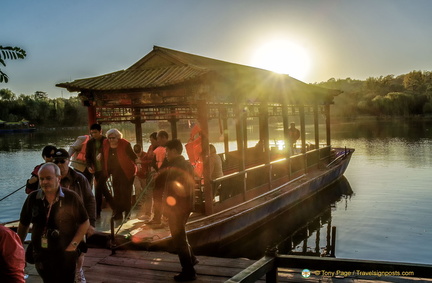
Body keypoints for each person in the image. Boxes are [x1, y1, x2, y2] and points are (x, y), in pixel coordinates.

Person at [17, 163, 90, 283]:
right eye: (42, 179)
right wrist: (18, 249)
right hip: (41, 253)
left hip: (66, 252)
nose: (45, 182)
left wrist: (73, 246)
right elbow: (23, 224)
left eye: (49, 178)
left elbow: (85, 222)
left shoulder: (71, 197)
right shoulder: (32, 198)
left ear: (58, 178)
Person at [53, 148, 96, 283]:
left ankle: (79, 271)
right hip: (57, 221)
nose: (60, 164)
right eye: (56, 162)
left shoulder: (79, 178)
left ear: (69, 161)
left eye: (62, 161)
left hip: (78, 221)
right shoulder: (51, 178)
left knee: (79, 250)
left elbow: (90, 200)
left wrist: (91, 223)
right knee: (57, 248)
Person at [159, 139, 198, 281]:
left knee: (178, 239)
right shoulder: (185, 164)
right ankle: (192, 259)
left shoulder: (177, 167)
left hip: (178, 208)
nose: (166, 154)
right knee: (181, 234)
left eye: (167, 151)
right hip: (185, 206)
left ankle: (189, 271)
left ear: (174, 151)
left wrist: (166, 209)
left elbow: (173, 191)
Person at [103, 129, 137, 220]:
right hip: (114, 172)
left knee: (126, 193)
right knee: (117, 192)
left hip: (127, 171)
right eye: (109, 138)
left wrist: (139, 164)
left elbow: (133, 156)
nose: (111, 140)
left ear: (118, 138)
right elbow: (103, 153)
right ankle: (118, 213)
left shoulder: (125, 144)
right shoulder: (106, 143)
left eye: (113, 138)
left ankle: (127, 213)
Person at [86, 123, 114, 218]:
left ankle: (98, 212)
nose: (93, 134)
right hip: (96, 170)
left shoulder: (106, 141)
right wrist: (89, 166)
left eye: (95, 132)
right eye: (92, 133)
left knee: (98, 189)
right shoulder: (90, 143)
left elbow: (111, 153)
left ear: (100, 131)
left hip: (106, 169)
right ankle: (113, 209)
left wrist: (102, 154)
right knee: (103, 189)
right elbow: (88, 157)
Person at [148, 130, 169, 225]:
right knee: (156, 197)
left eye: (160, 138)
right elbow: (153, 162)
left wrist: (160, 172)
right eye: (158, 138)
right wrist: (153, 170)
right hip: (158, 177)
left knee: (166, 197)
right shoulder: (157, 149)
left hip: (167, 177)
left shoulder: (169, 149)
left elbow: (168, 163)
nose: (159, 140)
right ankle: (156, 218)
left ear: (165, 138)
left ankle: (166, 217)